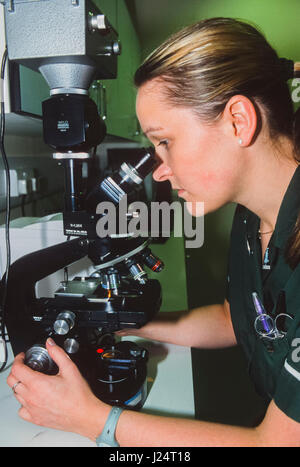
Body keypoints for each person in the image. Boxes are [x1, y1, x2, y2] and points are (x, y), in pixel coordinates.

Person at [7, 17, 300, 446]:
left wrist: (94, 421)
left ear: (238, 121)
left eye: (165, 141)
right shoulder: (253, 217)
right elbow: (237, 319)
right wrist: (126, 326)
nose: (160, 171)